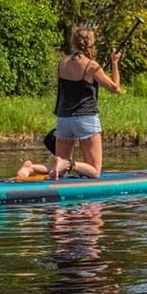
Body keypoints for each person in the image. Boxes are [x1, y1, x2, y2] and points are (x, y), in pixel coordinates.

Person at [50, 24, 122, 179]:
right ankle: (69, 164)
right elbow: (115, 88)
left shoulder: (62, 63)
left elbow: (62, 89)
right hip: (85, 118)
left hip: (63, 119)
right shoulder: (91, 66)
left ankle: (31, 167)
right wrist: (114, 63)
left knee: (59, 171)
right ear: (90, 43)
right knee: (95, 171)